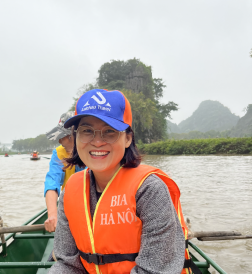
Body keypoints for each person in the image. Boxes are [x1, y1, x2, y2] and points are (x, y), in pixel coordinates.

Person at [48, 89, 197, 274]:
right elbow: (67, 264)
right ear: (76, 136)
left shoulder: (150, 190)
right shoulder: (70, 191)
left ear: (127, 138)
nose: (97, 142)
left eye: (109, 132)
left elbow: (153, 270)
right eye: (87, 131)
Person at [44, 111, 85, 232]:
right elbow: (52, 180)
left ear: (73, 136)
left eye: (62, 137)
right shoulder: (59, 153)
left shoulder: (94, 153)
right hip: (70, 207)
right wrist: (52, 214)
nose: (59, 141)